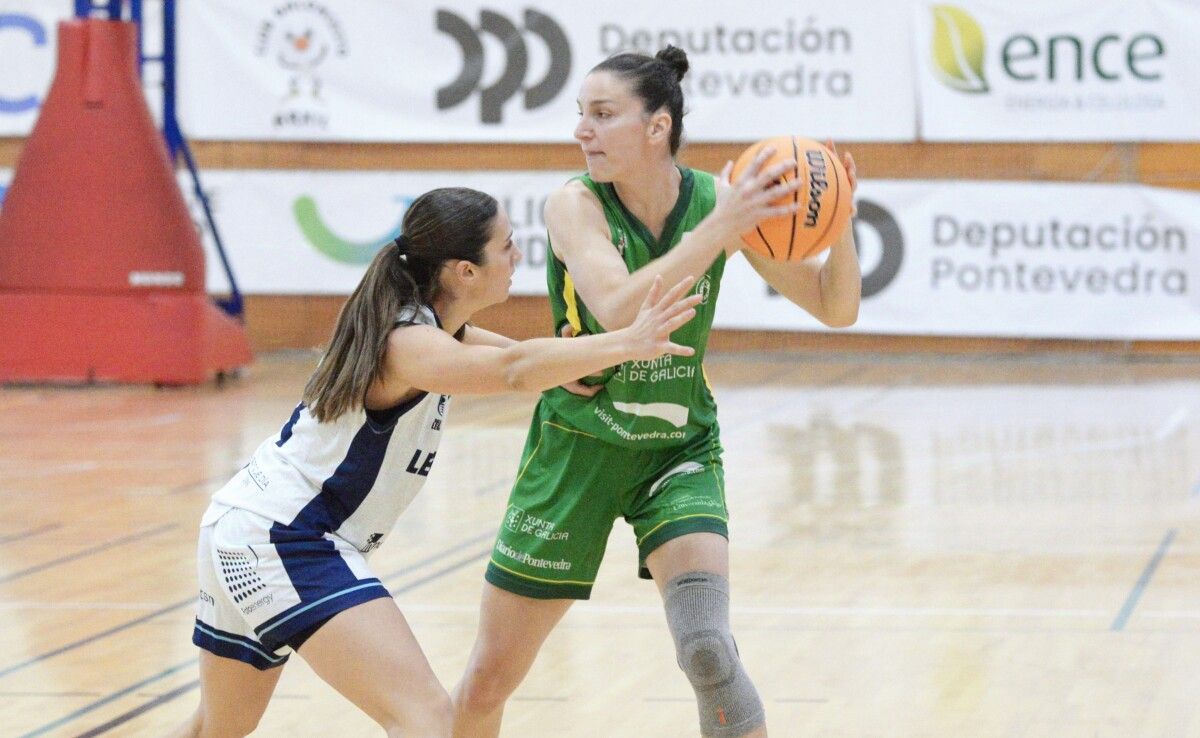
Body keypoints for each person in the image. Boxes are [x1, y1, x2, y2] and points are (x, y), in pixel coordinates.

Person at [169, 186, 705, 738]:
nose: (518, 255)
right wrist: (627, 342)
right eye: (505, 246)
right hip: (287, 539)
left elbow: (498, 350)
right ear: (463, 271)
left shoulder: (427, 324)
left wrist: (565, 364)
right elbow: (513, 370)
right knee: (426, 719)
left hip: (239, 526)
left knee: (217, 728)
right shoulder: (408, 344)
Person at [451, 47, 860, 738]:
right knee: (491, 677)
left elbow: (835, 307)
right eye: (581, 114)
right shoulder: (574, 205)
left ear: (657, 127)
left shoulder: (715, 207)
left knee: (708, 649)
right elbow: (616, 306)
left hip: (677, 447)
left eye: (603, 115)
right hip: (576, 450)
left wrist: (841, 218)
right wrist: (720, 229)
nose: (583, 130)